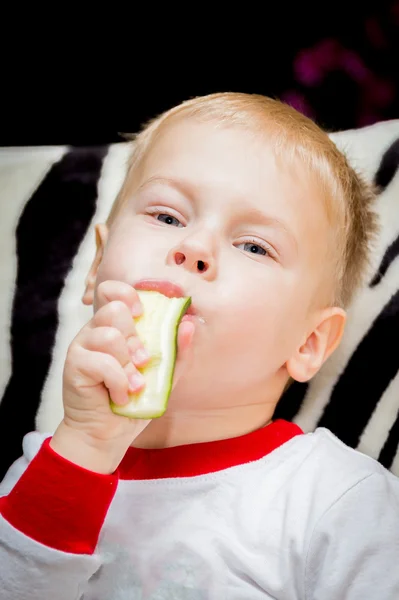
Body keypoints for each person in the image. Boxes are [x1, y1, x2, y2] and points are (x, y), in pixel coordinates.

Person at [1, 92, 398, 599]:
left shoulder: (338, 504)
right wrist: (84, 450)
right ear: (97, 265)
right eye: (167, 217)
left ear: (309, 342)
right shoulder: (45, 474)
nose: (192, 249)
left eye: (254, 245)